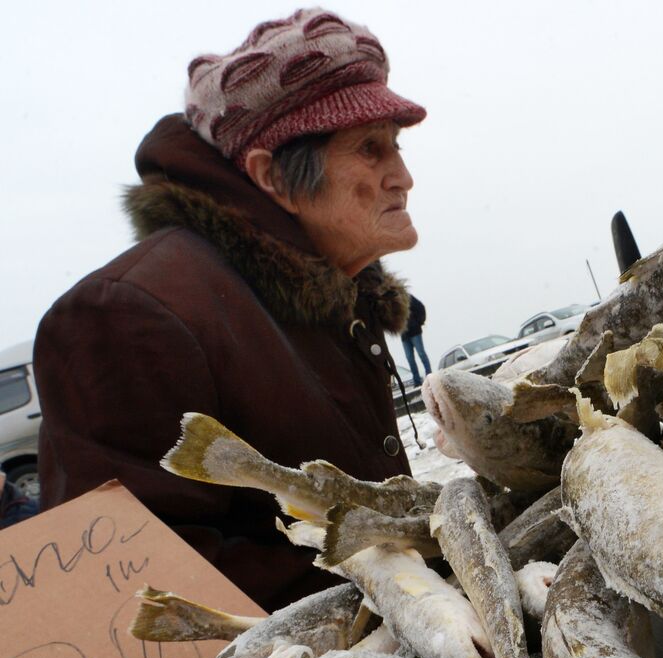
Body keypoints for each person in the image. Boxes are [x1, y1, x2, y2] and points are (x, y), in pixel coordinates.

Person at [35, 9, 425, 610]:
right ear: (271, 176)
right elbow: (133, 585)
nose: (403, 177)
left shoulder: (333, 288)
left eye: (396, 146)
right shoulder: (130, 313)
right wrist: (395, 598)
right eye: (370, 150)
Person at [401, 293, 431, 386]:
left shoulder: (407, 297)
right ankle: (417, 381)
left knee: (421, 354)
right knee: (409, 358)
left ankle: (429, 376)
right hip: (404, 334)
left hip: (415, 331)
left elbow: (421, 307)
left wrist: (419, 322)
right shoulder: (392, 301)